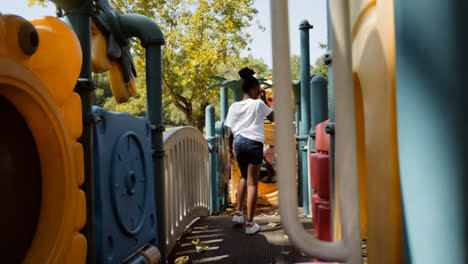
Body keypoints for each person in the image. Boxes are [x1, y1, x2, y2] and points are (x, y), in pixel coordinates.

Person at [224, 67, 274, 235]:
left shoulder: (234, 106)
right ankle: (250, 224)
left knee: (245, 177)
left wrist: (230, 150)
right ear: (254, 90)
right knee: (253, 183)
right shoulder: (258, 104)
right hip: (253, 144)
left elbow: (230, 132)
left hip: (238, 143)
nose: (259, 93)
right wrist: (264, 100)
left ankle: (238, 213)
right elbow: (273, 118)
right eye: (258, 91)